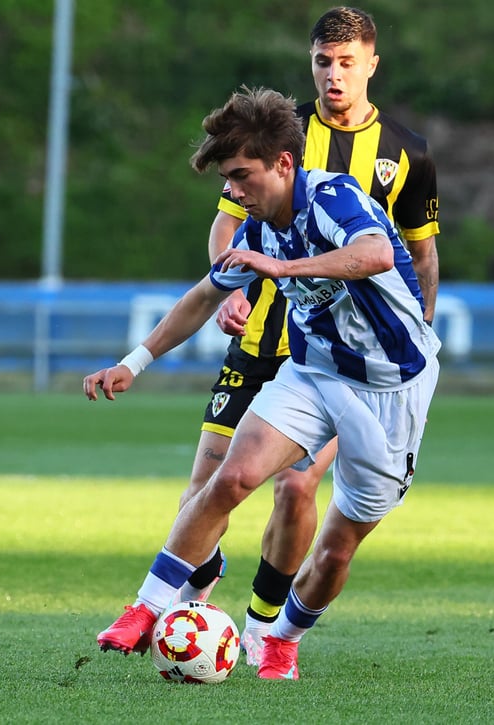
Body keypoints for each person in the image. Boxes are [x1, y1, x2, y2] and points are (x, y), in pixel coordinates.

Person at [85, 86, 440, 681]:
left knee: (336, 548)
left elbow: (377, 253)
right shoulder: (257, 227)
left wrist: (283, 268)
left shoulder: (332, 196)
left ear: (282, 164)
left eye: (242, 176)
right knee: (233, 478)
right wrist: (133, 363)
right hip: (314, 373)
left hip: (392, 388)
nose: (232, 191)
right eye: (226, 179)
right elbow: (202, 297)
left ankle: (283, 639)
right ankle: (144, 608)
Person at [172, 5, 440, 667]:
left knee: (295, 488)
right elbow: (228, 224)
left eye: (347, 62)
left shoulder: (407, 154)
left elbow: (418, 257)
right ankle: (191, 611)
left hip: (338, 364)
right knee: (210, 479)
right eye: (323, 61)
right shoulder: (279, 133)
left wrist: (412, 337)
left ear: (372, 64)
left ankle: (266, 630)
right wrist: (229, 288)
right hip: (260, 339)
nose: (334, 76)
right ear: (311, 62)